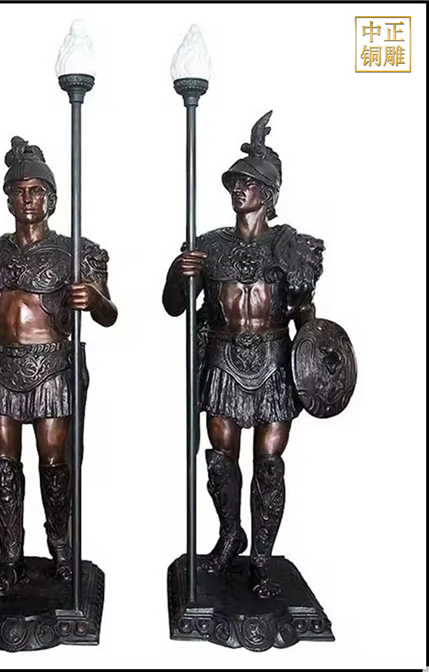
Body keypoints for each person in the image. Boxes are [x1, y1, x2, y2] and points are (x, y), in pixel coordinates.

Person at [162, 112, 324, 598]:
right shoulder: (208, 246)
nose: (239, 189)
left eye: (248, 183)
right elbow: (174, 306)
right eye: (235, 182)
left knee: (269, 464)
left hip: (274, 361)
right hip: (222, 360)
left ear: (268, 194)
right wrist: (178, 272)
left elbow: (304, 310)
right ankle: (231, 534)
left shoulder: (290, 246)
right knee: (220, 460)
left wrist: (313, 356)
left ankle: (262, 557)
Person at [0, 136, 117, 594]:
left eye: (36, 191)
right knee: (4, 466)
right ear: (8, 198)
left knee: (54, 464)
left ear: (52, 198)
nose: (27, 199)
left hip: (52, 369)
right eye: (19, 191)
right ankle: (10, 555)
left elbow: (109, 315)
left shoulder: (76, 253)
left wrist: (93, 299)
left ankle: (60, 546)